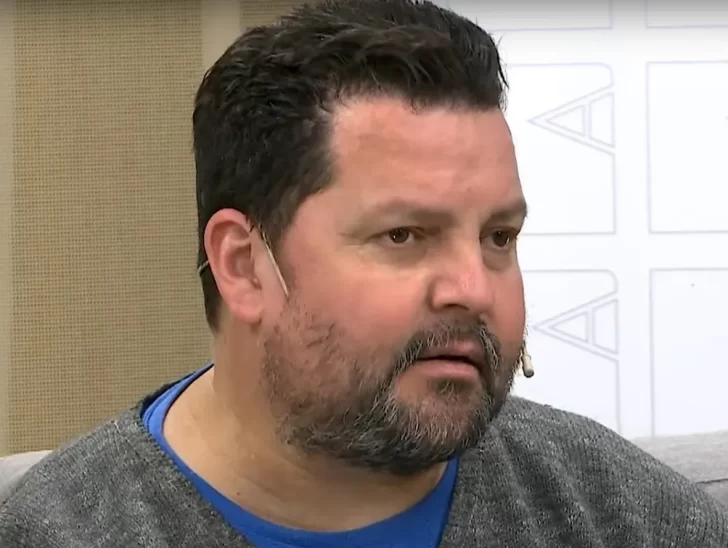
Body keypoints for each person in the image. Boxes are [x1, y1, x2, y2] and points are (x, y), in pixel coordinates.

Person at [1, 0, 726, 546]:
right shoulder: (57, 531)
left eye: (498, 237)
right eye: (403, 235)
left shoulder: (625, 516)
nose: (474, 289)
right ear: (243, 266)